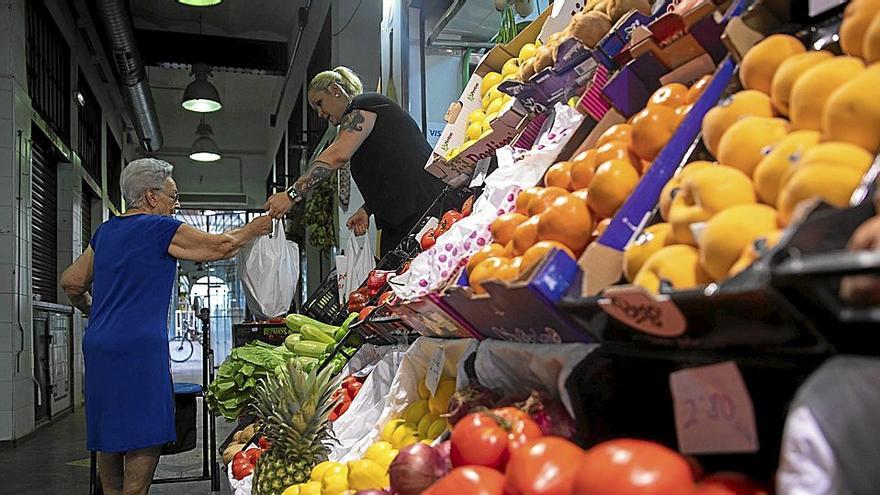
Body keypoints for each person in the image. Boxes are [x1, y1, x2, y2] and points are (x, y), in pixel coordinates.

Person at [61, 158, 273, 495]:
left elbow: (71, 282)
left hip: (100, 344)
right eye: (173, 197)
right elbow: (220, 246)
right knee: (145, 430)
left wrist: (94, 312)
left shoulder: (106, 232)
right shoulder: (159, 228)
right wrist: (256, 228)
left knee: (109, 428)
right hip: (139, 348)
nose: (176, 205)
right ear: (150, 197)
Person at [263, 66, 446, 257]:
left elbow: (337, 155)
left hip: (428, 211)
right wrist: (368, 208)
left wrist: (291, 194)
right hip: (404, 220)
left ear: (335, 90)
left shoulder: (364, 104)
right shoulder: (358, 128)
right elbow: (392, 173)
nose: (319, 113)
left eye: (319, 103)